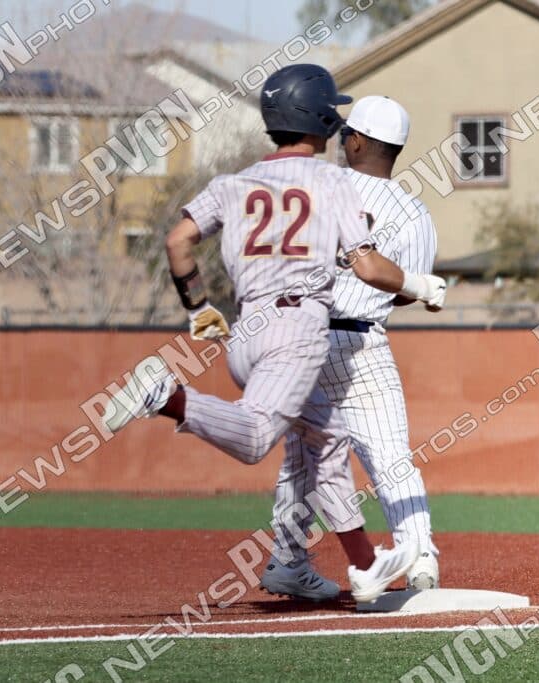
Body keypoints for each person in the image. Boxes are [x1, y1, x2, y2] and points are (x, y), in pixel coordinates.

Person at [101, 65, 446, 600]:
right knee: (309, 443)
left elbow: (177, 242)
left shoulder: (235, 182)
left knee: (316, 448)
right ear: (325, 122)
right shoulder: (339, 185)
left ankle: (339, 564)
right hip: (314, 331)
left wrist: (199, 309)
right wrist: (423, 286)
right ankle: (168, 398)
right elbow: (373, 270)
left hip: (248, 331)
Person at [261, 96, 440, 602]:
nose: (342, 141)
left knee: (304, 455)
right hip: (360, 341)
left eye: (346, 135)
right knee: (388, 453)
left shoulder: (316, 189)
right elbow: (407, 289)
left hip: (299, 337)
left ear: (356, 141)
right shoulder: (413, 211)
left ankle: (289, 559)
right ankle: (420, 556)